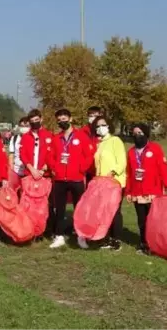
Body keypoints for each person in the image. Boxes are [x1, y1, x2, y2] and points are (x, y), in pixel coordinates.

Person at [47, 109, 94, 249]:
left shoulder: (81, 136)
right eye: (60, 119)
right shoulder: (56, 138)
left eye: (64, 118)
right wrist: (55, 168)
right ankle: (59, 236)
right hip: (60, 179)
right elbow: (50, 156)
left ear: (70, 119)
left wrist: (81, 169)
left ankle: (81, 236)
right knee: (59, 209)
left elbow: (89, 156)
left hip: (76, 179)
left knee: (79, 209)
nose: (62, 121)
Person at [126, 123, 167, 254]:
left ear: (146, 134)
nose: (137, 136)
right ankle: (144, 244)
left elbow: (163, 168)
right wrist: (129, 192)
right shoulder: (131, 152)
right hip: (137, 191)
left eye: (140, 133)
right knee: (141, 221)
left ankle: (156, 244)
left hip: (153, 191)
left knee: (154, 220)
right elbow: (129, 173)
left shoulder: (155, 148)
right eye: (135, 133)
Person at [88, 116, 127, 251]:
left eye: (103, 125)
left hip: (114, 182)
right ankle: (106, 238)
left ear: (109, 126)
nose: (100, 128)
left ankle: (116, 240)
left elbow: (121, 161)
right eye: (97, 126)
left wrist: (113, 172)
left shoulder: (115, 141)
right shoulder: (100, 144)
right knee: (104, 211)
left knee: (115, 211)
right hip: (101, 183)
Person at [19, 109, 52, 180]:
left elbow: (52, 154)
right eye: (32, 121)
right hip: (29, 174)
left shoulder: (49, 135)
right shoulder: (25, 137)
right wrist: (32, 170)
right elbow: (22, 155)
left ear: (41, 119)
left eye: (36, 120)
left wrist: (43, 170)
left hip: (45, 175)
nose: (34, 122)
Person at [82, 106, 103, 183]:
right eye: (91, 116)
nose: (93, 118)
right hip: (86, 170)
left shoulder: (104, 132)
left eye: (96, 116)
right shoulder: (82, 132)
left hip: (101, 170)